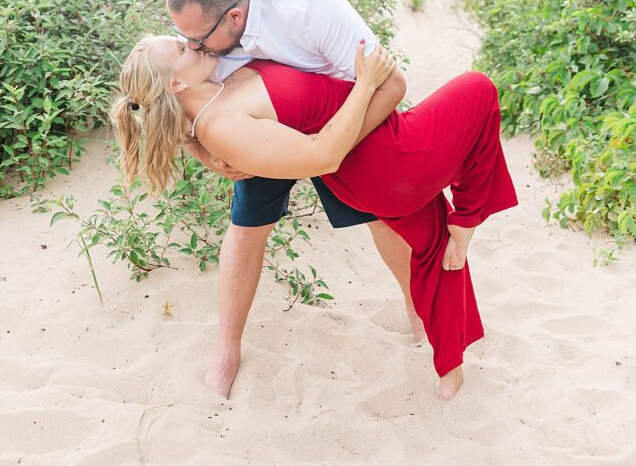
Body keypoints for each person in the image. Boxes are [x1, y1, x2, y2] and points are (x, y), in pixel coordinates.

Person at [112, 33, 518, 401]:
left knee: (424, 237)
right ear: (175, 83)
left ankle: (444, 356)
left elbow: (176, 109)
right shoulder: (218, 116)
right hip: (356, 155)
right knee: (478, 90)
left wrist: (196, 144)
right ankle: (467, 218)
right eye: (183, 48)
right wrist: (366, 84)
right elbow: (322, 155)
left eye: (187, 38)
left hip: (354, 149)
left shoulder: (214, 58)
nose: (193, 42)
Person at [164, 0, 420, 399]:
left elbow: (392, 84)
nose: (192, 47)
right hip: (260, 120)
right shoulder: (205, 12)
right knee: (246, 229)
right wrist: (205, 151)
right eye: (183, 40)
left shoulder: (308, 4)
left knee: (381, 217)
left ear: (236, 18)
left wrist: (332, 147)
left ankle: (419, 318)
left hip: (339, 113)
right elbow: (167, 94)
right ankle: (227, 351)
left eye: (198, 41)